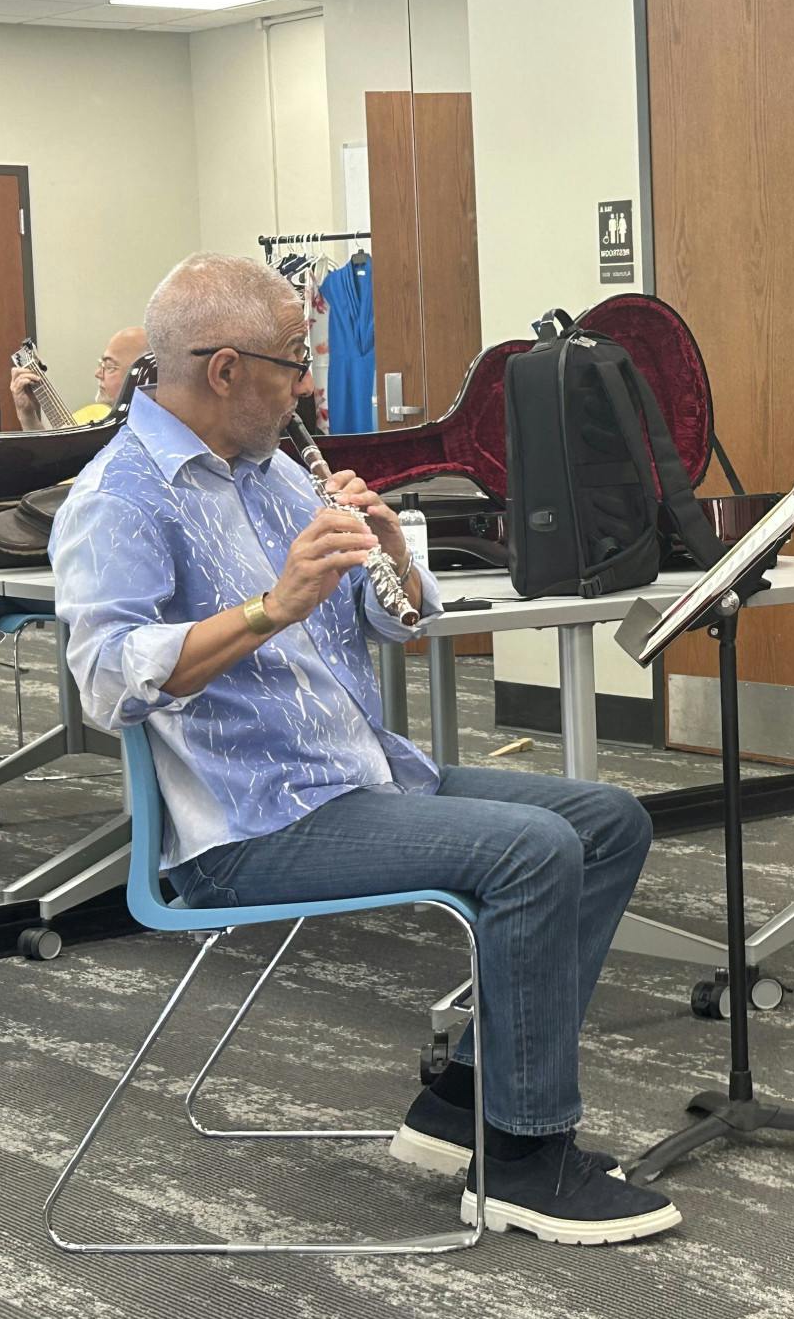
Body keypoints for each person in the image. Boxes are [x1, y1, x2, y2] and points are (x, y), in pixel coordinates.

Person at [50, 253, 679, 1246]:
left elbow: (391, 626)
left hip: (358, 780)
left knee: (604, 820)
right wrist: (269, 607)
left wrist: (389, 551)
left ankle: (457, 1102)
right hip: (246, 828)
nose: (306, 385)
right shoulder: (118, 500)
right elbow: (103, 679)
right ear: (222, 371)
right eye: (292, 362)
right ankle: (523, 1158)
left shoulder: (268, 478)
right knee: (531, 851)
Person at [0, 327, 152, 774]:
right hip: (40, 561)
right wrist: (30, 418)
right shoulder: (90, 416)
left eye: (111, 364)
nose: (98, 369)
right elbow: (47, 489)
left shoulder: (143, 436)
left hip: (94, 573)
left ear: (143, 374)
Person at [9, 325, 143, 431]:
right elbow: (53, 461)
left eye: (109, 367)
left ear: (141, 376)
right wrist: (27, 415)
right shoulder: (95, 415)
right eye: (100, 364)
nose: (98, 373)